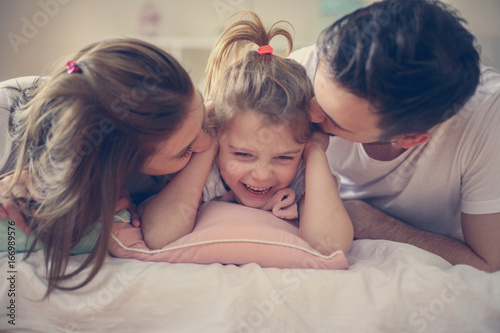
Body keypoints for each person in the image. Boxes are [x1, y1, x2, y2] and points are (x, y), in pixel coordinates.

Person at [288, 0, 500, 271]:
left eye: (333, 120)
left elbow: (488, 264)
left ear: (411, 138)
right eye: (317, 94)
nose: (310, 113)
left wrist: (378, 225)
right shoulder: (300, 72)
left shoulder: (486, 119)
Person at [0, 38, 212, 294]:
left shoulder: (165, 120)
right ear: (115, 165)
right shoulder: (5, 120)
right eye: (186, 150)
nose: (207, 141)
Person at [141, 11, 353, 255]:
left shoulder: (304, 175)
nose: (262, 175)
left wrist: (315, 150)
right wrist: (210, 142)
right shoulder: (208, 174)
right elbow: (159, 235)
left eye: (284, 157)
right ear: (219, 137)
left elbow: (331, 246)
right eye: (243, 155)